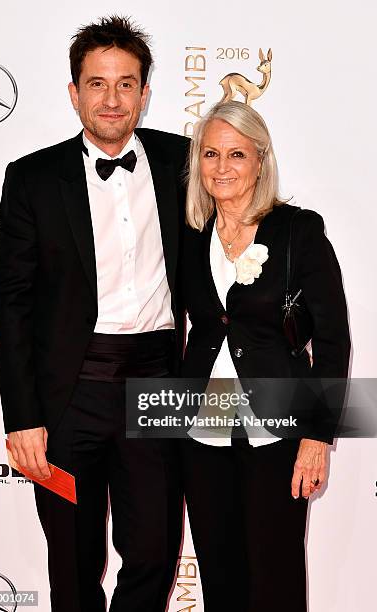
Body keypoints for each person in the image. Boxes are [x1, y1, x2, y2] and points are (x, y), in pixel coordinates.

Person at [0, 16, 189, 612]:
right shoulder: (31, 178)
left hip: (157, 384)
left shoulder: (184, 163)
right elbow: (14, 305)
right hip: (65, 394)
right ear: (74, 92)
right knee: (73, 562)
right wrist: (21, 418)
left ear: (145, 93)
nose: (112, 99)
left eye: (126, 84)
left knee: (156, 552)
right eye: (97, 84)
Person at [179, 100, 351, 611]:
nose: (223, 167)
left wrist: (318, 436)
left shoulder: (298, 231)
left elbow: (335, 340)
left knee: (274, 575)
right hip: (200, 429)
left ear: (261, 160)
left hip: (278, 428)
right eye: (211, 154)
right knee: (219, 570)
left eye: (237, 154)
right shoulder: (190, 236)